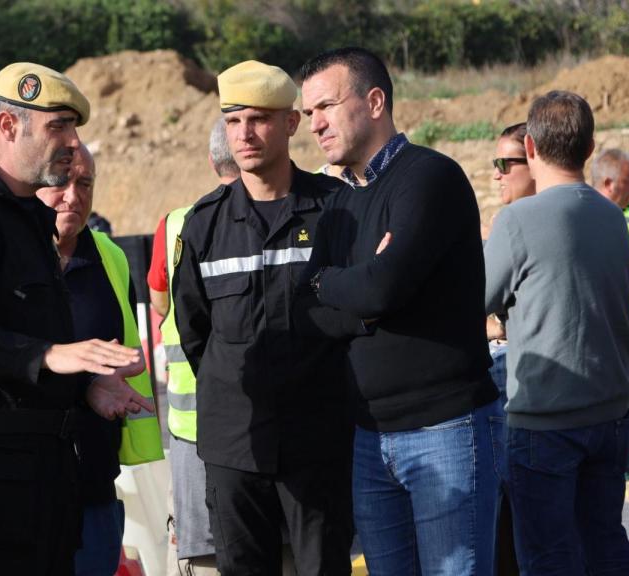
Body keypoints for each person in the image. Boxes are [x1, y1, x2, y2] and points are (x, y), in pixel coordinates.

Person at [0, 62, 150, 575]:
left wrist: (86, 385)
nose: (71, 141)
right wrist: (45, 355)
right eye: (57, 126)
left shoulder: (29, 220)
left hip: (51, 469)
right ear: (9, 127)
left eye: (73, 127)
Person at [298, 47, 501, 575]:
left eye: (325, 106)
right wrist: (349, 286)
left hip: (446, 431)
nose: (314, 125)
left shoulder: (430, 179)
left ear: (374, 100)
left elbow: (380, 290)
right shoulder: (337, 201)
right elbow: (311, 307)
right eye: (307, 114)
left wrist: (345, 285)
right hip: (369, 437)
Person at [173, 60, 362, 575]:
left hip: (318, 439)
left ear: (291, 124)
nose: (245, 134)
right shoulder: (205, 225)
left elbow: (359, 314)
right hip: (235, 443)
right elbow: (195, 332)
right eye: (233, 121)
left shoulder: (337, 211)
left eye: (258, 119)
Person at [485, 91, 629, 575]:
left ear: (529, 147)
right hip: (611, 414)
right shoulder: (614, 217)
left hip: (544, 423)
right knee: (607, 548)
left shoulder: (517, 220)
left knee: (549, 559)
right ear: (590, 149)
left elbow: (475, 301)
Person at [37, 145, 162, 575]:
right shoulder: (3, 258)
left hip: (95, 490)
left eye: (84, 183)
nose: (72, 195)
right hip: (20, 494)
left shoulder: (110, 257)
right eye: (59, 183)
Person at [148, 117, 239, 576]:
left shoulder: (177, 224)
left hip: (192, 430)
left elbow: (160, 303)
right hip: (263, 427)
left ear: (210, 160)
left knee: (205, 555)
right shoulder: (290, 213)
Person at [487, 121, 535, 576]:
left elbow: (473, 305)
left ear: (534, 160)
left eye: (505, 163)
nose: (496, 174)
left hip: (525, 399)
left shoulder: (515, 224)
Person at [592, 148, 629, 504]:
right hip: (608, 321)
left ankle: (625, 471)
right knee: (608, 401)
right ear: (610, 182)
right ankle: (608, 471)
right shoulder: (591, 214)